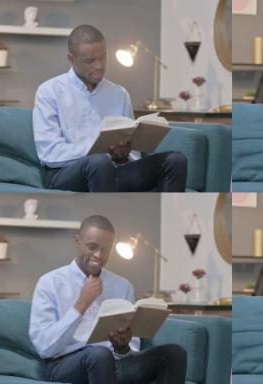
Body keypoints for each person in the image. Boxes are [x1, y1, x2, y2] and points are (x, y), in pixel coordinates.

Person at [29, 215, 187, 384]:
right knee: (99, 354)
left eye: (106, 249)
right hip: (64, 365)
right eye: (92, 247)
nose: (99, 255)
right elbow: (45, 347)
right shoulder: (50, 282)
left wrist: (122, 347)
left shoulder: (122, 285)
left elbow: (132, 348)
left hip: (114, 364)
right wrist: (81, 304)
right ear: (77, 241)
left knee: (174, 353)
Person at [33, 25, 188, 192]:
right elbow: (50, 153)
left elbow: (133, 154)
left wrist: (122, 156)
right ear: (71, 58)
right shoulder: (49, 92)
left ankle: (167, 217)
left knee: (175, 160)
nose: (99, 66)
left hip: (115, 171)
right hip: (65, 174)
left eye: (103, 57)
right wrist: (98, 149)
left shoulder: (119, 93)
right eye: (90, 61)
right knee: (98, 162)